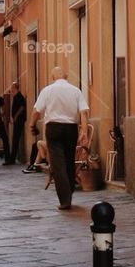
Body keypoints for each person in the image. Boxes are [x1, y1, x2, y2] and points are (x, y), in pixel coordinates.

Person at [28, 66, 89, 209]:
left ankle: (65, 200)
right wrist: (84, 131)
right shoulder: (75, 90)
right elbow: (83, 112)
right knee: (69, 160)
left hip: (54, 128)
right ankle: (69, 192)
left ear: (53, 77)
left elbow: (36, 111)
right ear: (66, 76)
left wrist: (32, 125)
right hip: (71, 129)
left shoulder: (47, 90)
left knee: (57, 164)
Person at [9, 81, 27, 164]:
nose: (11, 89)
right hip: (17, 121)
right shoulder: (15, 96)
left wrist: (16, 116)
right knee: (15, 139)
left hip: (19, 120)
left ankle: (13, 158)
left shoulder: (19, 96)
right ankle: (14, 157)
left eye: (12, 87)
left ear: (15, 88)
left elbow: (22, 107)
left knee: (16, 139)